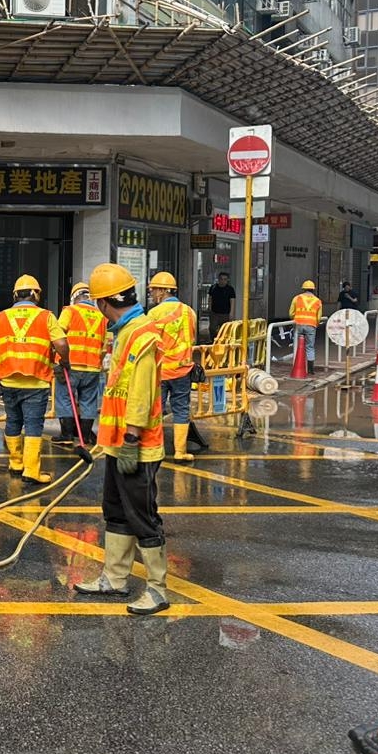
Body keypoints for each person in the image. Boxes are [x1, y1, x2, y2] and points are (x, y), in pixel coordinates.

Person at [75, 263, 169, 615]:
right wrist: (106, 441)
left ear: (102, 304)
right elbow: (120, 389)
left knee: (143, 515)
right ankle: (114, 579)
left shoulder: (141, 333)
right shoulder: (125, 332)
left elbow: (142, 392)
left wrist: (130, 437)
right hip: (118, 444)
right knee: (115, 511)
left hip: (138, 447)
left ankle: (158, 590)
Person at [0, 275, 69, 484]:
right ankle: (31, 471)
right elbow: (61, 344)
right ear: (35, 294)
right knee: (33, 425)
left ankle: (16, 464)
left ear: (15, 295)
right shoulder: (46, 317)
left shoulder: (1, 317)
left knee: (13, 421)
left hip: (8, 381)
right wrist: (65, 361)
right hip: (36, 381)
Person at [146, 271, 199, 463]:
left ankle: (154, 449)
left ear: (162, 291)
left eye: (153, 290)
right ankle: (180, 451)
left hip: (160, 372)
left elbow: (148, 342)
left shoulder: (153, 313)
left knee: (155, 410)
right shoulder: (189, 311)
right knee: (181, 409)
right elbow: (192, 338)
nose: (151, 294)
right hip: (182, 371)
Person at [55, 282, 106, 446]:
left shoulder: (70, 311)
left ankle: (67, 435)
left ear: (74, 297)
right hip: (93, 367)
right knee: (89, 401)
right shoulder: (102, 317)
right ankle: (85, 435)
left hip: (71, 365)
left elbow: (58, 335)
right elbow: (105, 345)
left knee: (65, 398)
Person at [289, 279, 323, 365]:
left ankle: (298, 365)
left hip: (298, 324)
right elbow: (318, 317)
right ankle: (311, 369)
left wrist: (295, 318)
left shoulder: (297, 298)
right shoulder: (318, 301)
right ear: (313, 289)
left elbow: (291, 313)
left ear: (303, 289)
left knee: (298, 345)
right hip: (311, 325)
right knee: (310, 347)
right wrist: (316, 323)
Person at [207, 271, 236, 340]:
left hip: (225, 313)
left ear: (227, 280)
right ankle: (213, 341)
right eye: (221, 279)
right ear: (218, 279)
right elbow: (210, 298)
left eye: (225, 279)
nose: (223, 281)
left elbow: (232, 301)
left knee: (225, 330)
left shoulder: (230, 289)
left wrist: (231, 313)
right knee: (212, 328)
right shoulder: (213, 288)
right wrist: (210, 308)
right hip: (215, 313)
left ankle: (223, 343)